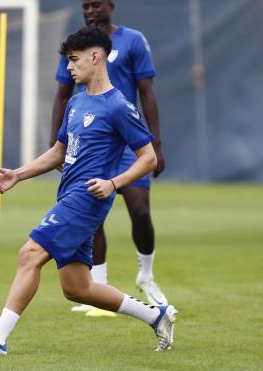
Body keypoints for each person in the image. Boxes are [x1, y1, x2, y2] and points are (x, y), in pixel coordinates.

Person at [0, 26, 177, 356]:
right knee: (77, 288)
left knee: (29, 254)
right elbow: (59, 153)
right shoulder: (76, 103)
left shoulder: (118, 106)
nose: (69, 68)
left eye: (74, 60)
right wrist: (19, 174)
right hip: (68, 196)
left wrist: (114, 183)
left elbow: (148, 158)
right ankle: (156, 315)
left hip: (87, 200)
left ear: (95, 57)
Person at [51, 0, 167, 315]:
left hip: (129, 141)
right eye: (85, 5)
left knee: (139, 209)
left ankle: (146, 274)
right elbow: (63, 94)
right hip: (92, 139)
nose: (90, 10)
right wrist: (57, 143)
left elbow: (147, 92)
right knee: (92, 210)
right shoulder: (76, 48)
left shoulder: (133, 40)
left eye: (96, 4)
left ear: (111, 6)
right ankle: (98, 287)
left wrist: (156, 143)